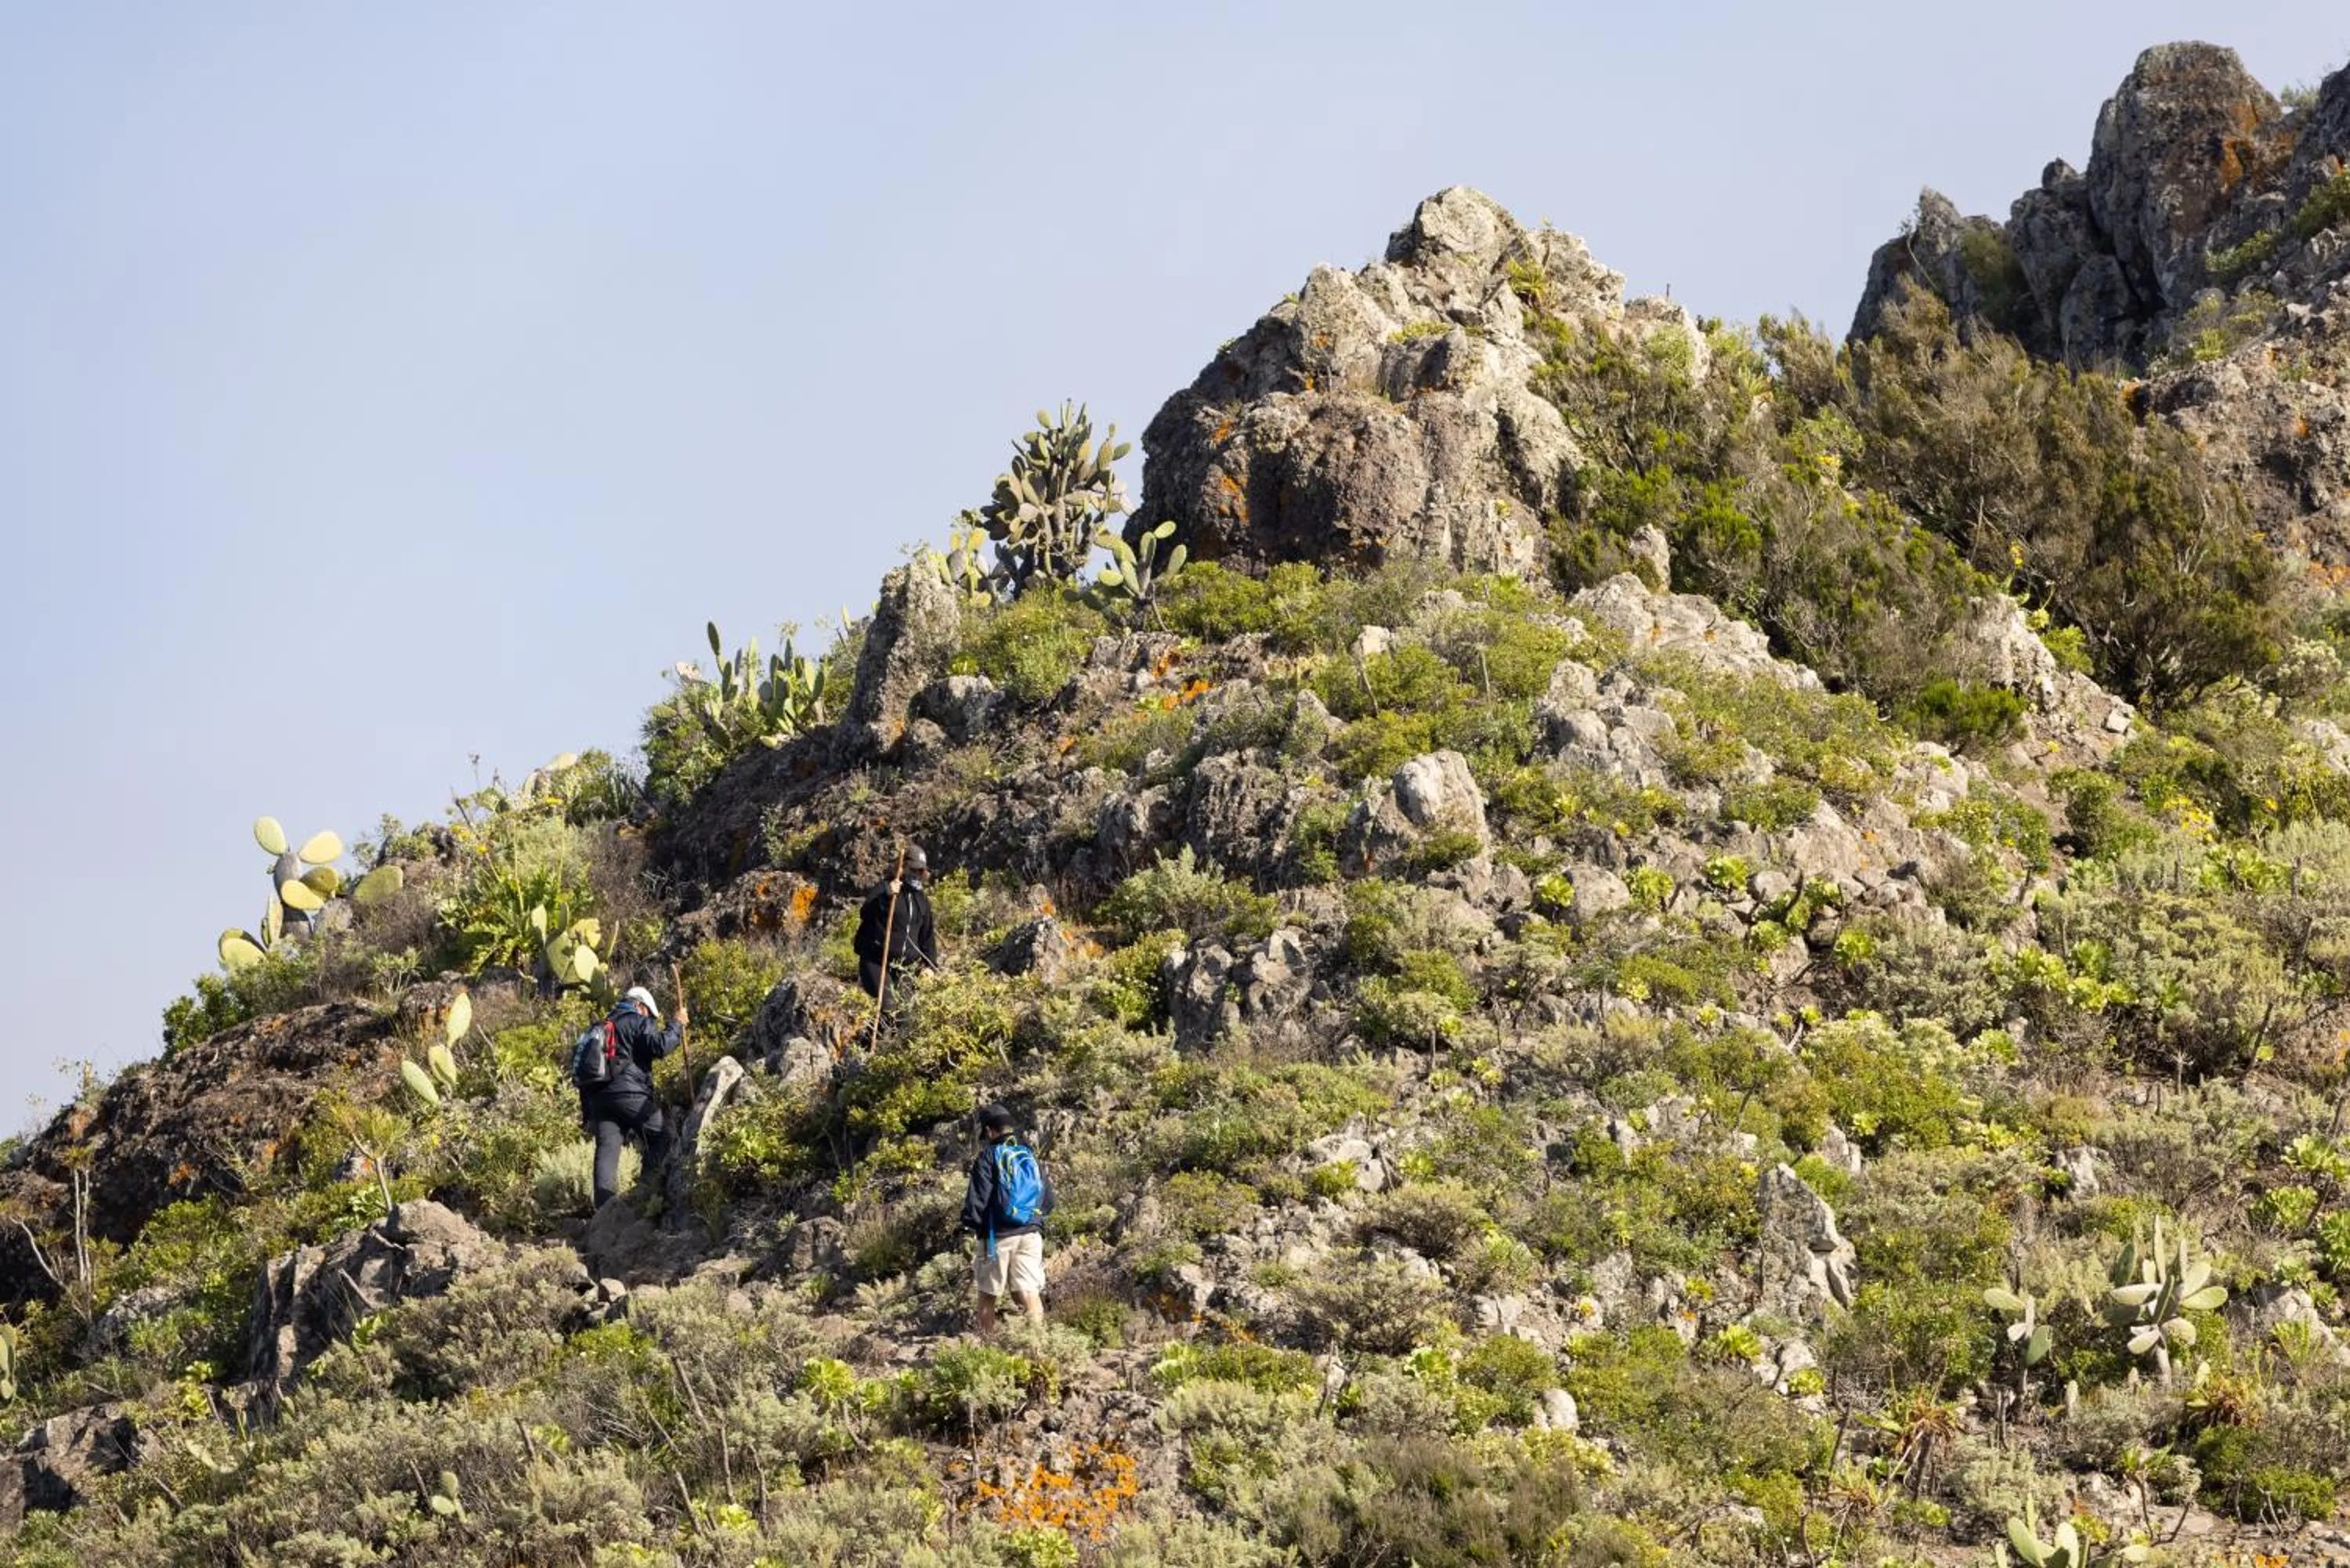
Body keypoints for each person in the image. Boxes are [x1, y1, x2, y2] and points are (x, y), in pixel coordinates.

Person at [582, 984, 689, 1209]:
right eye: (650, 1015)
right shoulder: (635, 1020)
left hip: (598, 1099)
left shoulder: (601, 1026)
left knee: (607, 1152)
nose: (651, 1020)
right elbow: (660, 1046)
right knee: (662, 1136)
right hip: (628, 1094)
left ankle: (604, 1214)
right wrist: (677, 1024)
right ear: (640, 1006)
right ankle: (645, 1196)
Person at [960, 1103, 1054, 1333]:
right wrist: (1031, 1221)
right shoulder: (1028, 1155)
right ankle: (1037, 1344)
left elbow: (977, 1200)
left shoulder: (988, 1157)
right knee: (1028, 1291)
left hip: (997, 1237)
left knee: (987, 1295)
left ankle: (988, 1348)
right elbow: (1049, 1200)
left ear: (991, 1131)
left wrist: (967, 1225)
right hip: (1031, 1234)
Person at [853, 844, 940, 1001]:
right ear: (903, 867)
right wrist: (886, 896)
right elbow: (865, 913)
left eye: (920, 871)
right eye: (913, 869)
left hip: (905, 968)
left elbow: (927, 936)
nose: (917, 874)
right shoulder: (885, 888)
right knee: (888, 1004)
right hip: (877, 961)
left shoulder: (922, 900)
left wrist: (930, 966)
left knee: (904, 1018)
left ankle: (876, 1026)